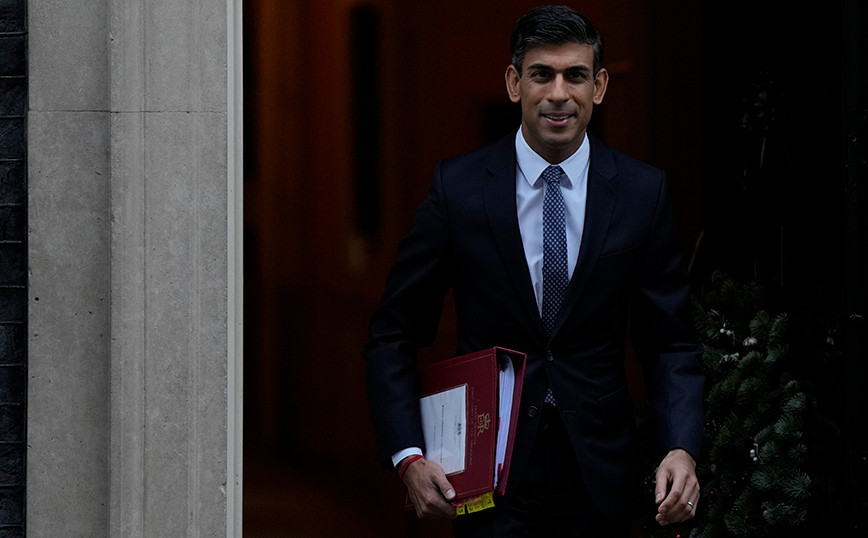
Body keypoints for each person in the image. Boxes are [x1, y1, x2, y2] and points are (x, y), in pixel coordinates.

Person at [363, 5, 704, 536]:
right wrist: (409, 456)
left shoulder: (643, 192)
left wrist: (681, 447)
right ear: (514, 83)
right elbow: (393, 333)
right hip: (489, 479)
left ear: (599, 86)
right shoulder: (458, 189)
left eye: (576, 75)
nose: (558, 94)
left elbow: (670, 344)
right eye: (542, 74)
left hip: (600, 477)